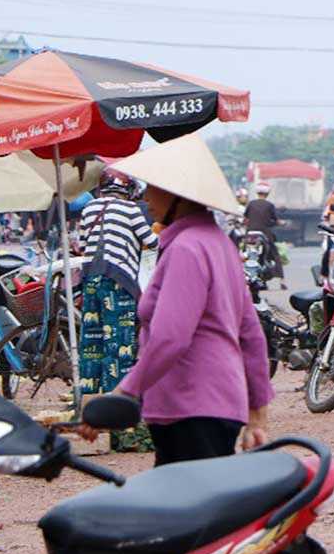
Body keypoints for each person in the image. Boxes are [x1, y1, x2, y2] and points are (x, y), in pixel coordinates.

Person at [83, 133, 273, 466]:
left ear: (178, 196)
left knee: (185, 496)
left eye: (154, 188)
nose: (146, 198)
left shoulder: (186, 248)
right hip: (217, 405)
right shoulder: (219, 244)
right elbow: (251, 335)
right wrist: (257, 412)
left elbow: (170, 337)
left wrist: (124, 392)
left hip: (189, 406)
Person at [77, 170, 158, 396]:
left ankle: (88, 397)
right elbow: (151, 242)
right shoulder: (131, 209)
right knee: (118, 341)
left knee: (91, 340)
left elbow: (82, 244)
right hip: (118, 279)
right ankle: (115, 400)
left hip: (90, 277)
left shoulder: (89, 208)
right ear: (128, 190)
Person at [243, 182, 284, 284]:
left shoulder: (251, 204)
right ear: (268, 193)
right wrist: (281, 223)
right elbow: (276, 220)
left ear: (257, 192)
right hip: (264, 233)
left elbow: (245, 218)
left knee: (243, 253)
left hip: (250, 234)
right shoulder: (269, 205)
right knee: (275, 254)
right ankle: (281, 280)